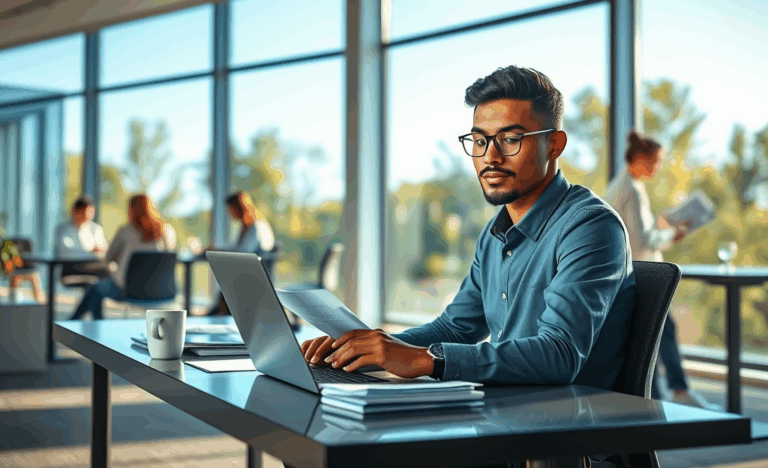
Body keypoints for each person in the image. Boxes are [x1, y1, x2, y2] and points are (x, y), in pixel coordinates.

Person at [302, 65, 635, 390]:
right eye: (479, 142)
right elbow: (457, 328)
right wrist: (368, 350)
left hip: (568, 428)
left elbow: (559, 354)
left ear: (555, 145)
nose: (490, 157)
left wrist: (428, 360)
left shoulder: (590, 226)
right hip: (505, 413)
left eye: (511, 139)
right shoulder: (496, 235)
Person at [605, 131, 711, 409]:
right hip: (639, 274)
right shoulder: (632, 189)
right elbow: (643, 240)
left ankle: (667, 395)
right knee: (663, 331)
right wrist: (672, 233)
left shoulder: (621, 185)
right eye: (656, 161)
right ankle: (677, 392)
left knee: (657, 334)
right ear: (640, 158)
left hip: (629, 272)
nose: (658, 168)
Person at [69, 194, 176, 320]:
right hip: (160, 292)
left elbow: (109, 259)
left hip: (130, 291)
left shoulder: (125, 231)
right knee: (99, 286)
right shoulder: (167, 231)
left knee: (96, 288)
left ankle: (77, 323)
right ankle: (81, 323)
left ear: (131, 210)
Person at [207, 191, 275, 315]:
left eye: (230, 210)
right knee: (225, 287)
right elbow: (239, 249)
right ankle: (218, 312)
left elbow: (243, 253)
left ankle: (219, 314)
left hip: (255, 275)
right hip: (248, 272)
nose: (229, 213)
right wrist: (218, 250)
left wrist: (219, 252)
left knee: (226, 286)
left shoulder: (257, 226)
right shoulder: (247, 225)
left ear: (238, 208)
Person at [54, 195, 110, 285]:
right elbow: (66, 254)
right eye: (85, 213)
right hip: (71, 268)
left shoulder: (95, 229)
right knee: (107, 271)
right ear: (75, 211)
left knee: (112, 269)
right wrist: (92, 252)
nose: (88, 217)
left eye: (91, 213)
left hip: (94, 266)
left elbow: (104, 249)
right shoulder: (63, 229)